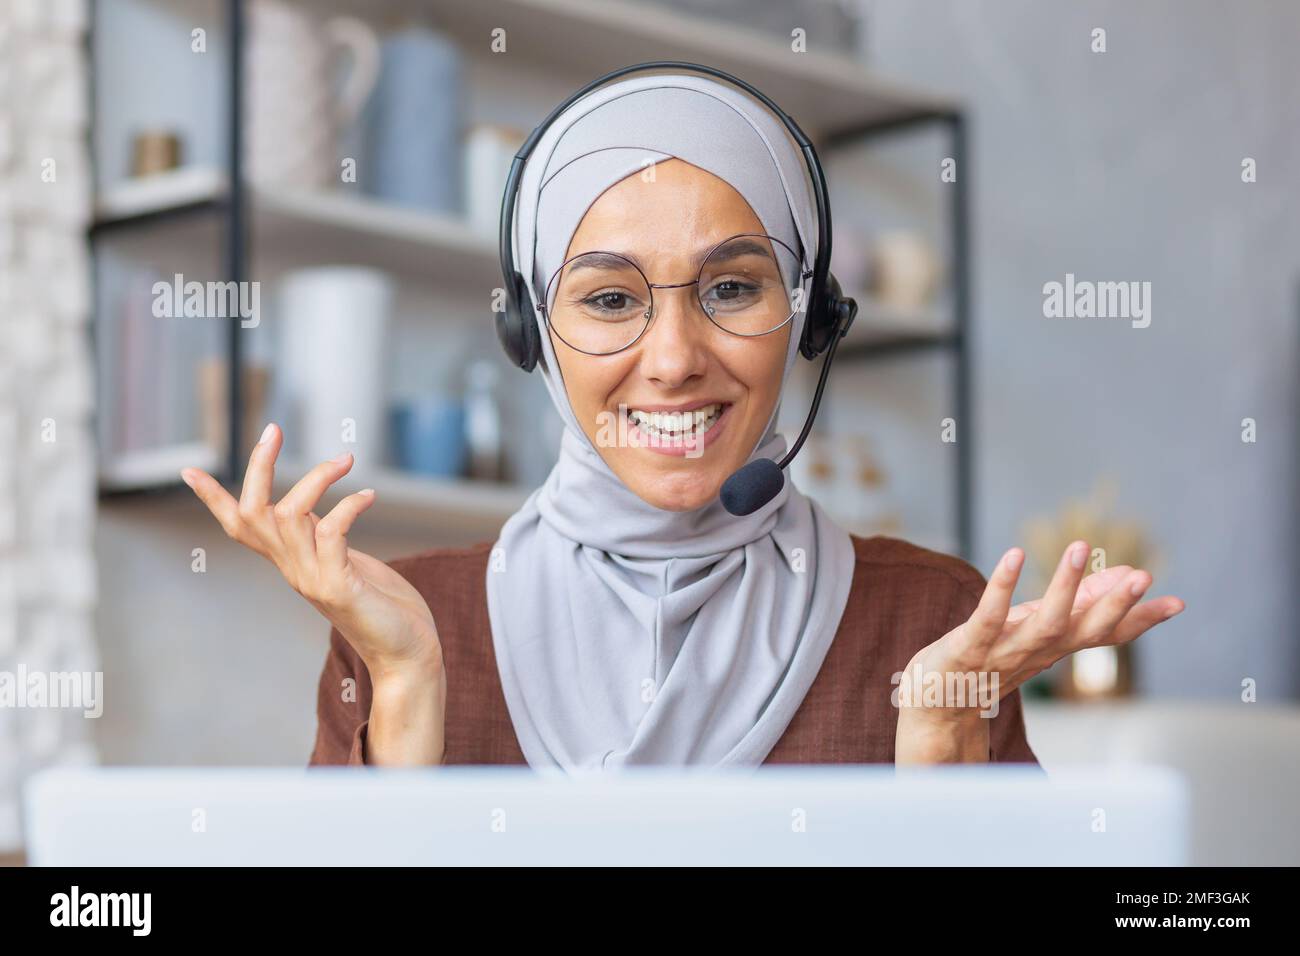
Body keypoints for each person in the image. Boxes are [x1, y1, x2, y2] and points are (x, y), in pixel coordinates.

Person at [181, 71, 1184, 771]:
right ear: (532, 332)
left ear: (811, 315)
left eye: (733, 288)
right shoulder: (404, 620)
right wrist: (405, 682)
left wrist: (936, 751)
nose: (671, 360)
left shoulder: (937, 622)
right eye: (609, 299)